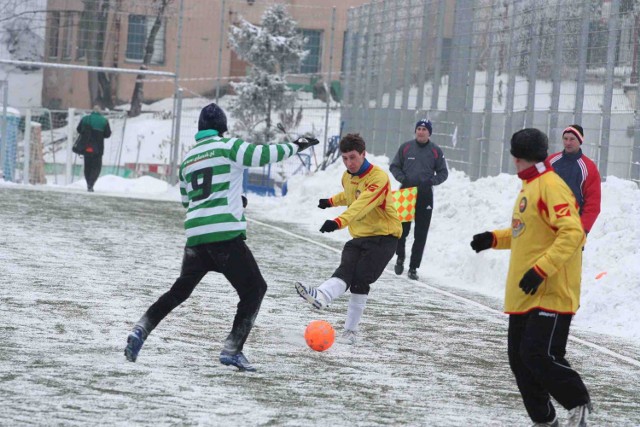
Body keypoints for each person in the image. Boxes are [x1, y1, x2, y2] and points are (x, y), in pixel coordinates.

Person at [124, 103, 318, 371]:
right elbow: (263, 154)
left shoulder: (189, 159)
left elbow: (186, 200)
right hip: (224, 235)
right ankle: (232, 349)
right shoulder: (229, 147)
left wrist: (231, 198)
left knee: (179, 291)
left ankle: (141, 328)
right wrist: (298, 144)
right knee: (254, 289)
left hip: (196, 236)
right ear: (223, 128)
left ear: (200, 129)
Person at [470, 128, 592, 427]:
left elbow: (573, 232)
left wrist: (541, 270)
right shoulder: (530, 186)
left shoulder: (550, 185)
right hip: (525, 293)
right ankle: (545, 420)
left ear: (516, 157)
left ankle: (578, 402)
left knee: (535, 354)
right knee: (520, 361)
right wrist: (493, 239)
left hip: (549, 288)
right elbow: (526, 233)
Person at [294, 133, 402, 344]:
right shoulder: (347, 176)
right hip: (359, 237)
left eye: (353, 157)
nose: (349, 163)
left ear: (363, 154)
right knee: (345, 270)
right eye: (344, 158)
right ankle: (321, 296)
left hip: (384, 238)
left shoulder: (378, 178)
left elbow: (361, 205)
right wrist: (330, 201)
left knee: (360, 279)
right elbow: (350, 195)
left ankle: (350, 332)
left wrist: (337, 222)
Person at [389, 119, 448, 280]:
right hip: (406, 193)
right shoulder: (406, 147)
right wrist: (403, 179)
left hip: (425, 195)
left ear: (429, 132)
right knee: (401, 230)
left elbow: (443, 173)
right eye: (419, 128)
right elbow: (394, 166)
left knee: (420, 233)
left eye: (424, 129)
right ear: (415, 131)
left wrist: (431, 182)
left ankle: (413, 267)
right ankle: (400, 257)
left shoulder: (435, 151)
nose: (421, 131)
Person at [547, 124, 601, 234]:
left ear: (580, 141)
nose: (568, 142)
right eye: (565, 138)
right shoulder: (551, 161)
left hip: (572, 226)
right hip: (547, 225)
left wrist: (583, 229)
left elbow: (593, 203)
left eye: (572, 139)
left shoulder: (588, 167)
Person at [76, 105, 111, 192]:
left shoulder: (85, 119)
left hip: (86, 146)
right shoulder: (104, 121)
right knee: (96, 167)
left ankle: (88, 183)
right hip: (98, 148)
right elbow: (107, 134)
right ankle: (91, 184)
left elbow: (78, 129)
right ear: (100, 112)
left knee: (87, 166)